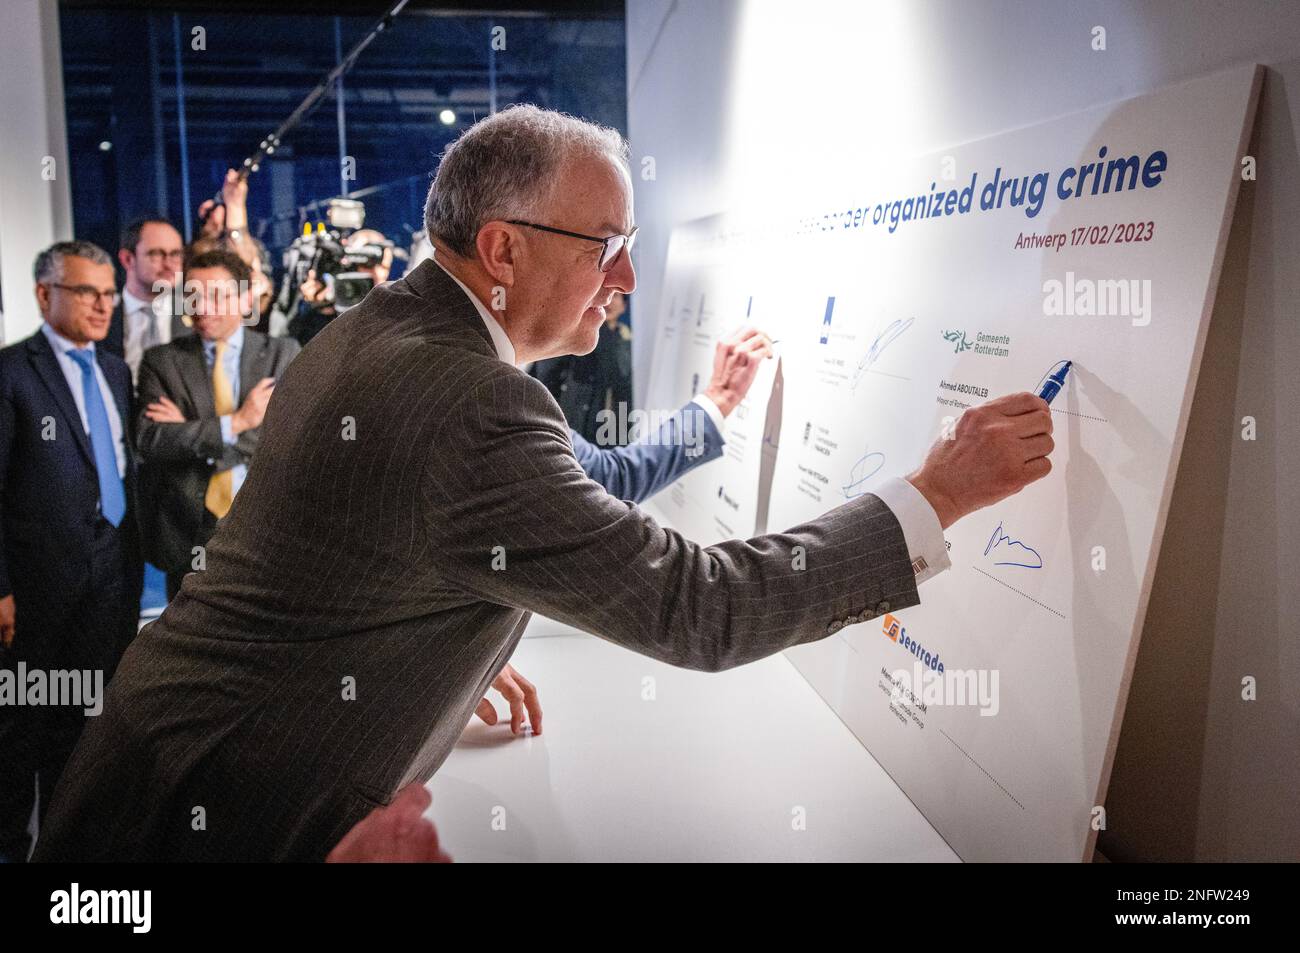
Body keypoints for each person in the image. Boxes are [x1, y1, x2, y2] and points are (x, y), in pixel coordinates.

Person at [34, 105, 1053, 862]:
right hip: (202, 807)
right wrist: (938, 494)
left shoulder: (385, 329)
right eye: (607, 247)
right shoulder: (468, 398)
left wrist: (436, 643)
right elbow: (698, 607)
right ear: (504, 249)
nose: (628, 279)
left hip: (158, 758)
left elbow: (382, 545)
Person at [0, 241, 143, 862]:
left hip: (109, 579)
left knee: (83, 724)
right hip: (34, 590)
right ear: (44, 295)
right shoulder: (10, 374)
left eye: (109, 293)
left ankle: (63, 851)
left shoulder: (115, 369)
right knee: (19, 728)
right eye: (86, 292)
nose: (102, 305)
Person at [134, 249, 300, 601]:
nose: (201, 307)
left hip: (265, 523)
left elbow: (291, 438)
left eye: (215, 295)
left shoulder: (281, 355)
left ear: (244, 297)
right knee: (189, 645)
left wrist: (193, 432)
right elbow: (151, 441)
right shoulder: (162, 362)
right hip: (188, 529)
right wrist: (237, 422)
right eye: (192, 295)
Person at [532, 290, 633, 444]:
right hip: (571, 405)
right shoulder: (578, 332)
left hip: (601, 415)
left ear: (624, 306)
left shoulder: (626, 342)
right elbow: (548, 370)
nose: (610, 302)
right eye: (608, 295)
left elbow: (619, 375)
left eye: (617, 297)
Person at [108, 218, 192, 382]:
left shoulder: (196, 315)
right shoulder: (103, 316)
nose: (169, 264)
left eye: (175, 254)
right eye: (156, 254)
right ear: (127, 259)